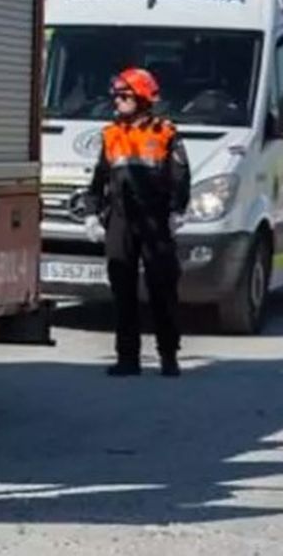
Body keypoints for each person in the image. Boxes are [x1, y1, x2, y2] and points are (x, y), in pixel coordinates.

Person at [80, 67, 192, 378]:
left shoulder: (165, 133)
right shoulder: (111, 135)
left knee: (162, 288)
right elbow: (99, 179)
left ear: (142, 98)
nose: (117, 101)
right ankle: (127, 358)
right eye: (115, 96)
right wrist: (92, 213)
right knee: (122, 288)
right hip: (121, 220)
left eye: (124, 96)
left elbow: (180, 178)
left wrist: (176, 212)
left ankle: (168, 355)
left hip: (155, 221)